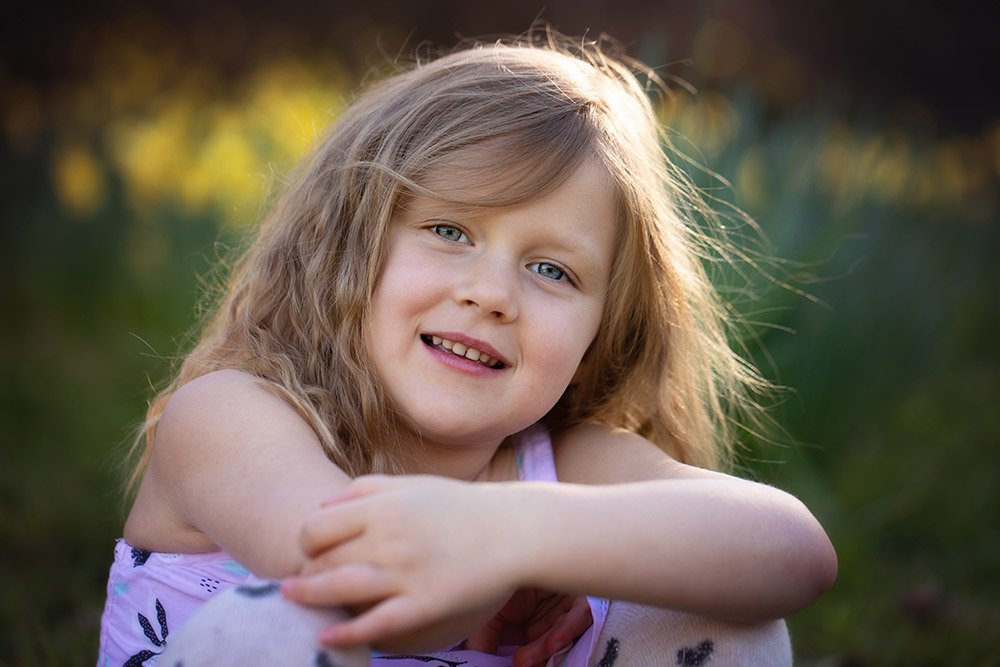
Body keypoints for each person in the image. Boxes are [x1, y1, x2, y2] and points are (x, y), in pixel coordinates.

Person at [98, 30, 837, 667]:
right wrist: (507, 551)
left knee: (717, 616)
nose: (492, 293)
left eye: (552, 270)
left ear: (597, 336)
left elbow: (793, 549)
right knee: (287, 619)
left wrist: (521, 532)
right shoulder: (229, 414)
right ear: (348, 245)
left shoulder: (557, 465)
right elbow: (362, 577)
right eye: (451, 231)